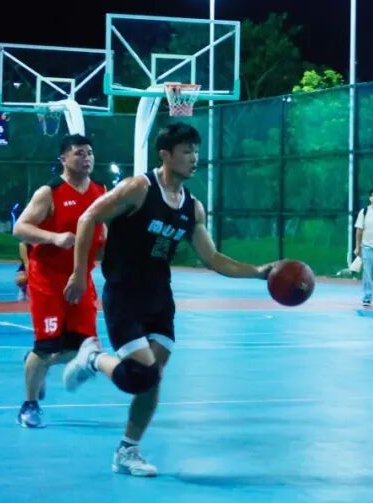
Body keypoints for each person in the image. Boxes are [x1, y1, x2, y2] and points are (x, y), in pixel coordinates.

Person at [61, 123, 274, 476]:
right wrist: (80, 274)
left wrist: (259, 272)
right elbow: (88, 218)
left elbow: (213, 258)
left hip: (159, 298)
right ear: (165, 155)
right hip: (124, 294)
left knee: (152, 377)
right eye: (187, 151)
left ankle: (127, 451)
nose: (195, 158)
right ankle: (93, 358)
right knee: (140, 376)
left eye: (196, 151)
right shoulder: (138, 189)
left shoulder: (193, 207)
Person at [11, 134, 107, 429]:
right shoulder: (49, 193)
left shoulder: (101, 192)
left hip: (81, 280)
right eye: (79, 153)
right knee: (46, 346)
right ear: (63, 158)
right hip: (48, 283)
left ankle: (36, 362)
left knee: (86, 347)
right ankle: (29, 405)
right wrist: (53, 237)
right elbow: (20, 228)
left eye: (89, 153)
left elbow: (102, 238)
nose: (86, 158)